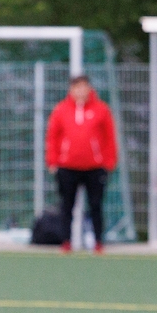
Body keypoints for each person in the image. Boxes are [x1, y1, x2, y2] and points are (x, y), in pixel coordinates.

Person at [45, 74, 117, 254]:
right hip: (67, 167)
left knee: (96, 205)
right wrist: (53, 161)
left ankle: (98, 242)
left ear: (89, 88)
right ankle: (66, 242)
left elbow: (109, 137)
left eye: (84, 87)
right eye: (77, 87)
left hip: (95, 168)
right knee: (66, 206)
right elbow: (52, 137)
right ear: (71, 89)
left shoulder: (101, 109)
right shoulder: (61, 110)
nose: (80, 91)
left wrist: (109, 162)